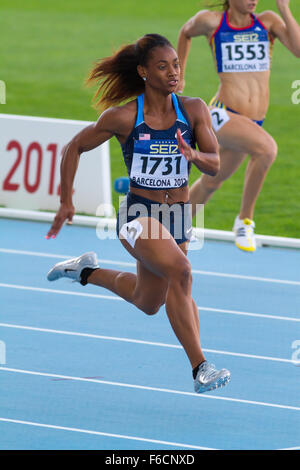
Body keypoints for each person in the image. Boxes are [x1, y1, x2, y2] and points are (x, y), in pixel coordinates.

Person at [46, 33, 230, 393]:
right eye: (163, 66)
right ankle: (200, 368)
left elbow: (215, 164)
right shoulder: (125, 117)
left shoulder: (193, 110)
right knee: (182, 272)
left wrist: (195, 157)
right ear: (144, 72)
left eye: (176, 64)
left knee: (149, 301)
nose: (173, 72)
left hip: (177, 217)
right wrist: (66, 201)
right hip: (138, 214)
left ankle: (85, 270)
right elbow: (74, 147)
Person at [177, 0, 300, 251]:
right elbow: (185, 32)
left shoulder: (267, 22)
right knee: (267, 150)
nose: (253, 0)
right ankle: (244, 220)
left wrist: (285, 9)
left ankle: (174, 226)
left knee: (212, 181)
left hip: (252, 121)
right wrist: (180, 73)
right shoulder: (212, 21)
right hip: (222, 113)